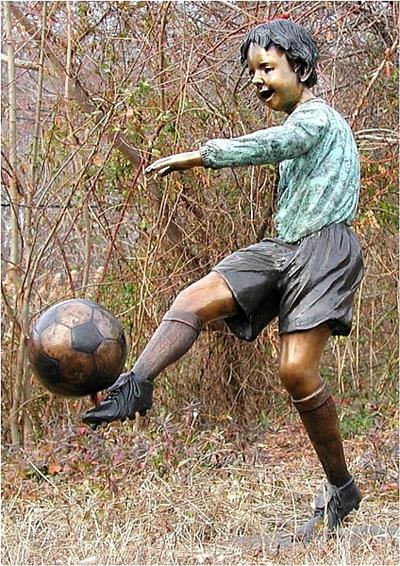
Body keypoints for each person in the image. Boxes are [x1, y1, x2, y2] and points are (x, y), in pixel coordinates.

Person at [83, 19, 364, 539]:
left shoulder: (317, 119)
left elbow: (276, 144)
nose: (258, 80)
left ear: (299, 68)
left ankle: (342, 488)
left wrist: (202, 155)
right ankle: (134, 385)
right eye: (251, 71)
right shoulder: (300, 125)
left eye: (268, 68)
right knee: (194, 299)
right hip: (283, 247)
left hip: (326, 249)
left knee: (297, 373)